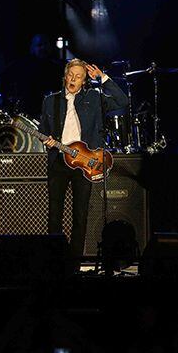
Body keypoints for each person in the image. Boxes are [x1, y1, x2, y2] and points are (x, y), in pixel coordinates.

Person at [38, 58, 128, 266]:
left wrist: (103, 78)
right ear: (65, 76)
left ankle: (74, 262)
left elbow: (122, 101)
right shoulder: (50, 101)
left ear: (84, 80)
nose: (73, 79)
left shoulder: (94, 97)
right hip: (58, 161)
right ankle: (54, 261)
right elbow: (43, 130)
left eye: (78, 76)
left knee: (80, 214)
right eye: (71, 75)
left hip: (84, 163)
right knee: (54, 214)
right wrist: (47, 141)